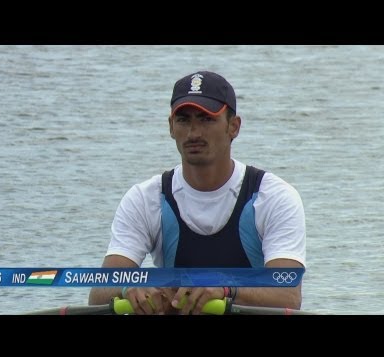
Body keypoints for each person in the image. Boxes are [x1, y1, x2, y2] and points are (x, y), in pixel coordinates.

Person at [88, 71, 306, 315]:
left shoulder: (274, 197)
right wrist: (128, 288)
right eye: (183, 120)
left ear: (234, 127)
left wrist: (225, 289)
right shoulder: (144, 198)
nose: (193, 133)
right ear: (171, 127)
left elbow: (288, 294)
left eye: (206, 119)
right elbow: (98, 293)